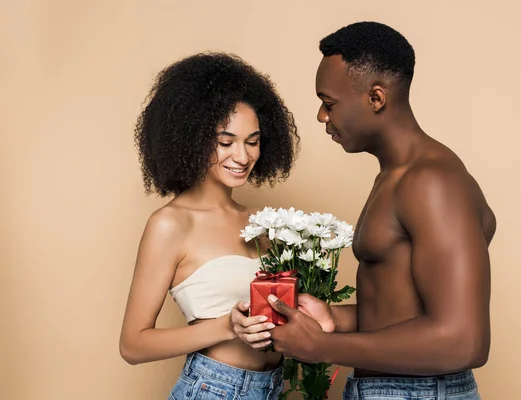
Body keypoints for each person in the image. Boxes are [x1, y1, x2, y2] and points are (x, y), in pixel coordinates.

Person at [239, 21, 497, 399]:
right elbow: (403, 312)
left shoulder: (432, 182)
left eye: (329, 103)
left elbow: (465, 340)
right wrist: (334, 318)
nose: (321, 116)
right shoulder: (397, 177)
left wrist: (323, 348)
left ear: (376, 98)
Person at [118, 52, 300, 400]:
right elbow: (133, 344)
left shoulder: (263, 223)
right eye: (225, 142)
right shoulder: (170, 224)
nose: (242, 157)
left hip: (275, 387)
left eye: (252, 141)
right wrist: (227, 326)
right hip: (214, 388)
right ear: (193, 138)